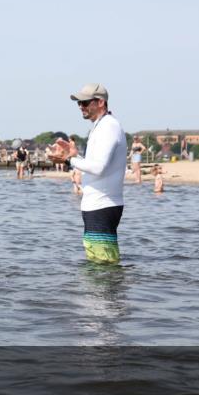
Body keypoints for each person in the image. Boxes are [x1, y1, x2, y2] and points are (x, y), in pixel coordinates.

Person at [48, 83, 127, 264]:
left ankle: (107, 293)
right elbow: (97, 164)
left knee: (103, 266)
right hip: (97, 204)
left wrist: (68, 160)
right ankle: (105, 293)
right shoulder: (101, 126)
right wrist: (75, 156)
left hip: (103, 205)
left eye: (85, 102)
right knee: (98, 264)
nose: (80, 107)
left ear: (100, 102)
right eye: (79, 103)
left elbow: (99, 168)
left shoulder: (109, 126)